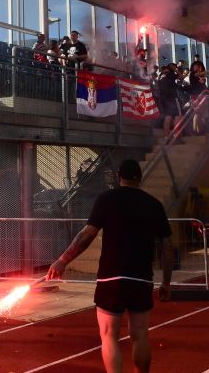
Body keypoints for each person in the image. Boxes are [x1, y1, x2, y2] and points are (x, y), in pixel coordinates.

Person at [46, 159, 173, 373]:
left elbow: (86, 235)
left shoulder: (107, 199)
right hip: (141, 277)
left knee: (108, 336)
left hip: (111, 277)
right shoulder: (154, 205)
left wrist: (62, 260)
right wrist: (166, 282)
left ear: (118, 178)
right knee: (140, 335)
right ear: (140, 178)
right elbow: (167, 245)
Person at [156, 63, 182, 135]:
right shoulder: (170, 74)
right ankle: (176, 136)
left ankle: (166, 137)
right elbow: (181, 77)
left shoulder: (160, 75)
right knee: (179, 115)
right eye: (174, 68)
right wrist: (175, 70)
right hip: (172, 97)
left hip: (164, 98)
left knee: (168, 116)